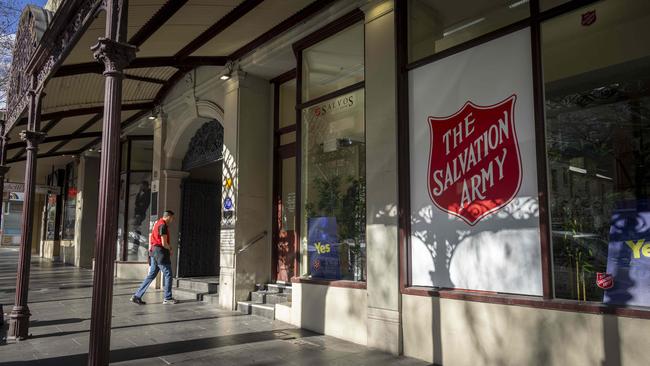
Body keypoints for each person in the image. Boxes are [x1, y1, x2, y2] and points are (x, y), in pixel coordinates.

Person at [130, 210, 178, 305]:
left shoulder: (157, 223)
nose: (172, 220)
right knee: (168, 274)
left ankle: (137, 296)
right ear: (168, 217)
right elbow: (164, 243)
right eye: (172, 218)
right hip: (160, 253)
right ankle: (167, 298)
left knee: (151, 275)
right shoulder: (163, 225)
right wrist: (170, 248)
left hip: (153, 252)